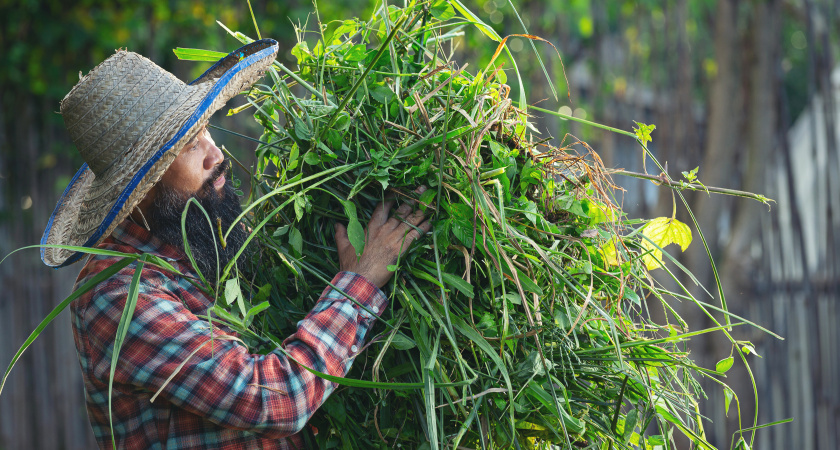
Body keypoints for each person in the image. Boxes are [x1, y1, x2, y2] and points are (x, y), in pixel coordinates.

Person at [41, 39, 430, 449]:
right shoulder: (117, 296)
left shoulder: (198, 242)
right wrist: (360, 283)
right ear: (142, 188)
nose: (216, 155)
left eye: (205, 129)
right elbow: (275, 399)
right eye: (190, 144)